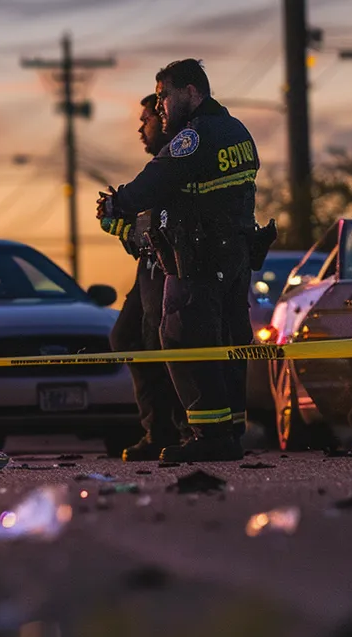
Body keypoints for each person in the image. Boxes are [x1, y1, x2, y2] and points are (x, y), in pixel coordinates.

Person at [97, 59, 260, 463]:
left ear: (190, 91)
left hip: (198, 259)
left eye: (164, 96)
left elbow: (157, 180)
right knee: (223, 342)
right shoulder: (237, 130)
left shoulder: (194, 136)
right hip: (231, 255)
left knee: (184, 339)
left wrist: (116, 204)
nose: (161, 105)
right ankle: (227, 432)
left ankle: (209, 434)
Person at [105, 93, 186, 460]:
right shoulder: (158, 166)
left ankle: (184, 432)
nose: (141, 127)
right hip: (149, 271)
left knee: (167, 346)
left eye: (147, 120)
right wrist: (125, 228)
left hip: (175, 273)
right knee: (127, 335)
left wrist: (124, 210)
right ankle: (158, 430)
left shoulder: (179, 159)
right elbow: (146, 231)